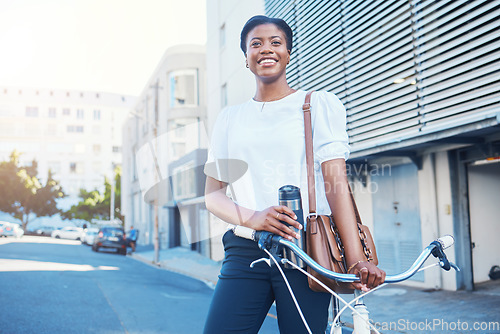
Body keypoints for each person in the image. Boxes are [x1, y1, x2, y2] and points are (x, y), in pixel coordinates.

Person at [203, 15, 386, 333]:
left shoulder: (317, 104)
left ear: (288, 53)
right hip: (246, 248)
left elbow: (336, 185)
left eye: (276, 42)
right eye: (255, 44)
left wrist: (357, 259)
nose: (266, 49)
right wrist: (253, 217)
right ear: (246, 58)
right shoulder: (229, 119)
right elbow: (213, 195)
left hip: (306, 251)